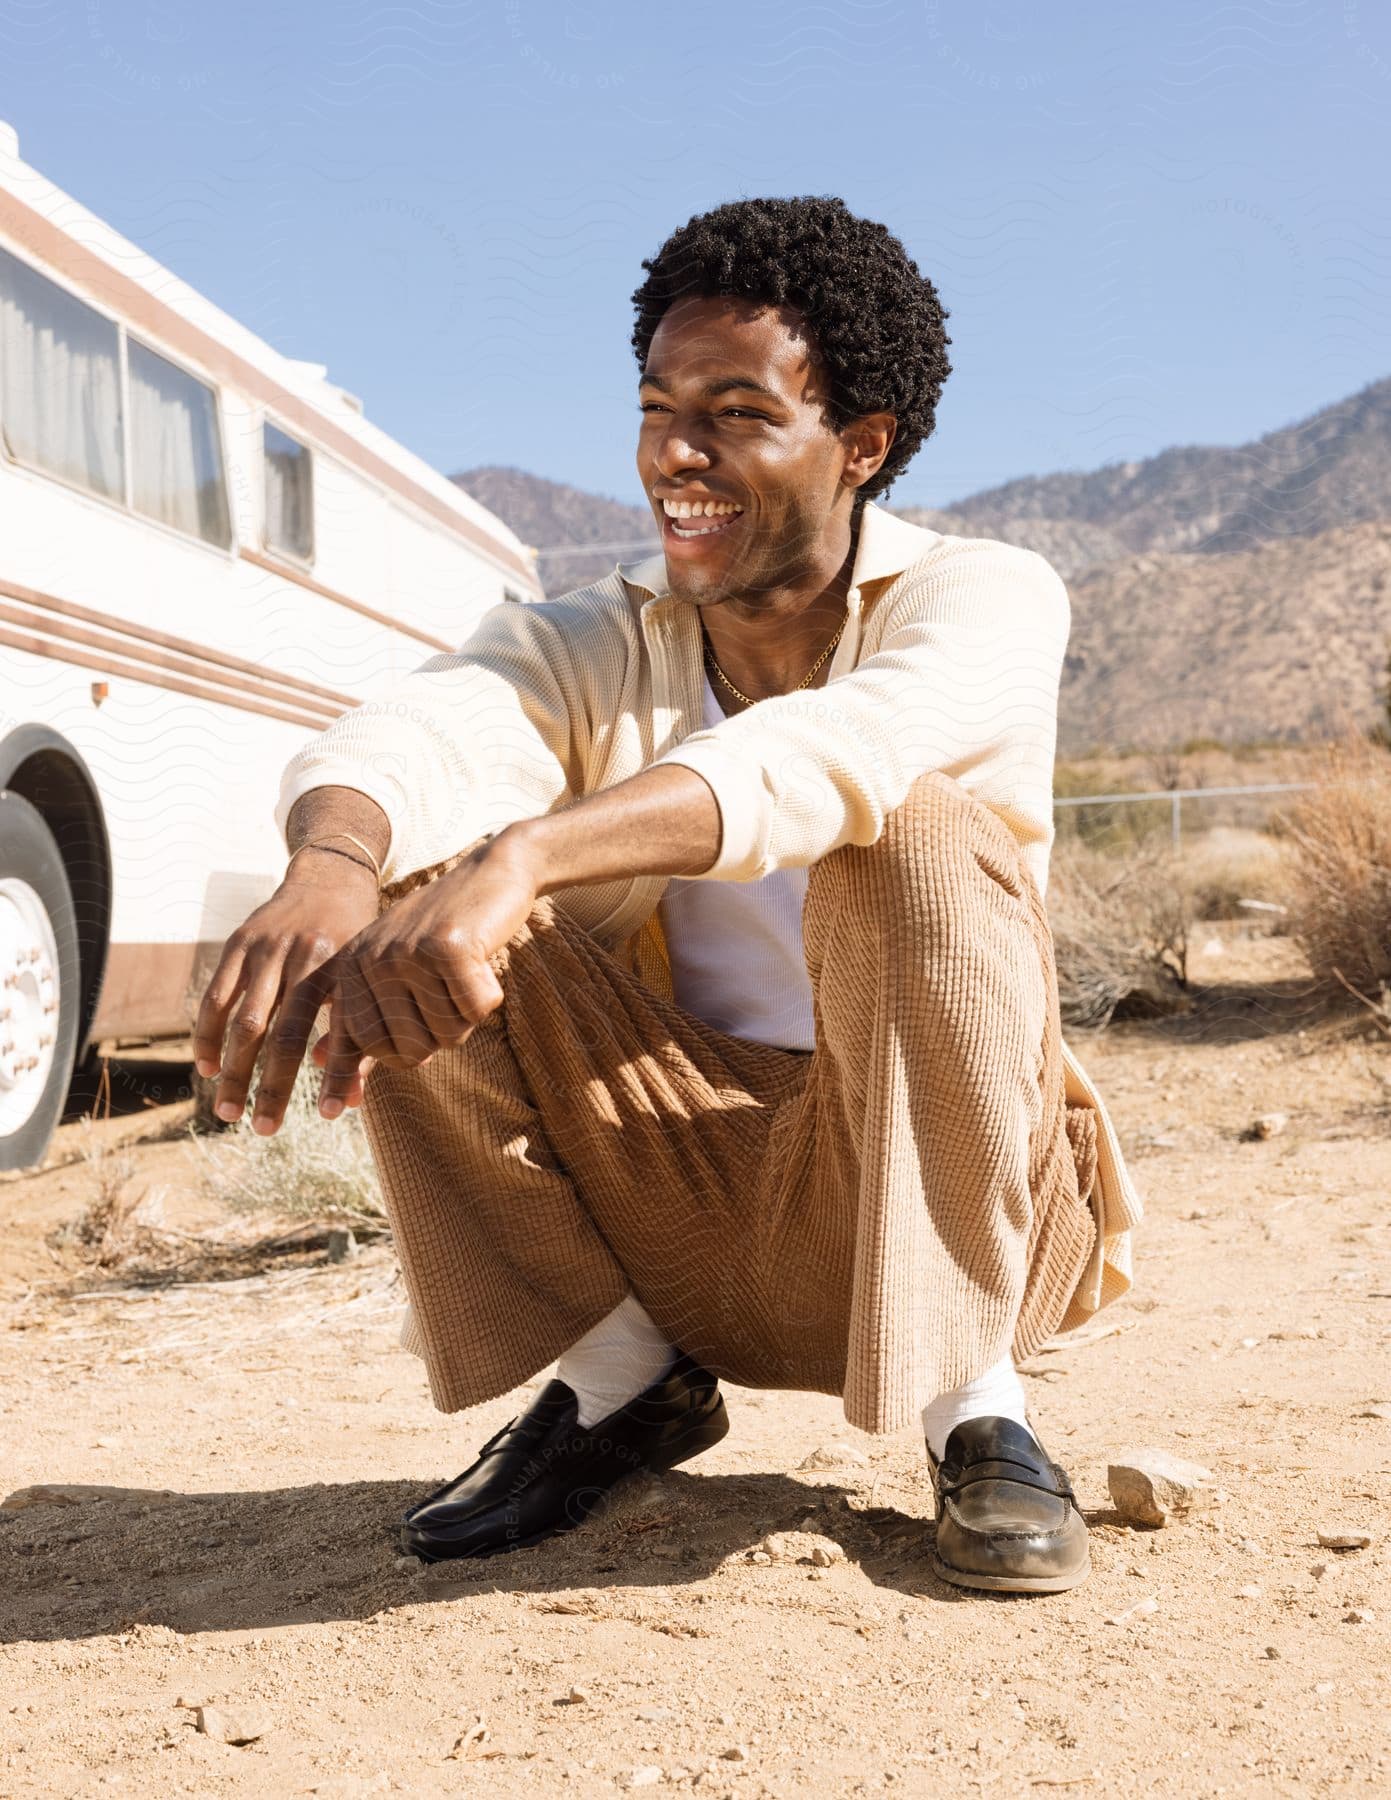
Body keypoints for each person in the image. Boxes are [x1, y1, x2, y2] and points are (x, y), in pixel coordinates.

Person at [195, 196, 1140, 1595]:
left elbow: (834, 756)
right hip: (677, 1193)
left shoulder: (983, 595)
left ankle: (975, 1404)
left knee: (918, 841)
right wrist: (335, 865)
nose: (677, 458)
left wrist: (530, 854)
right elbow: (428, 729)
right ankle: (627, 1378)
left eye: (739, 413)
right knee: (409, 880)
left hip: (933, 1192)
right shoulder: (597, 634)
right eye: (658, 407)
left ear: (861, 446)